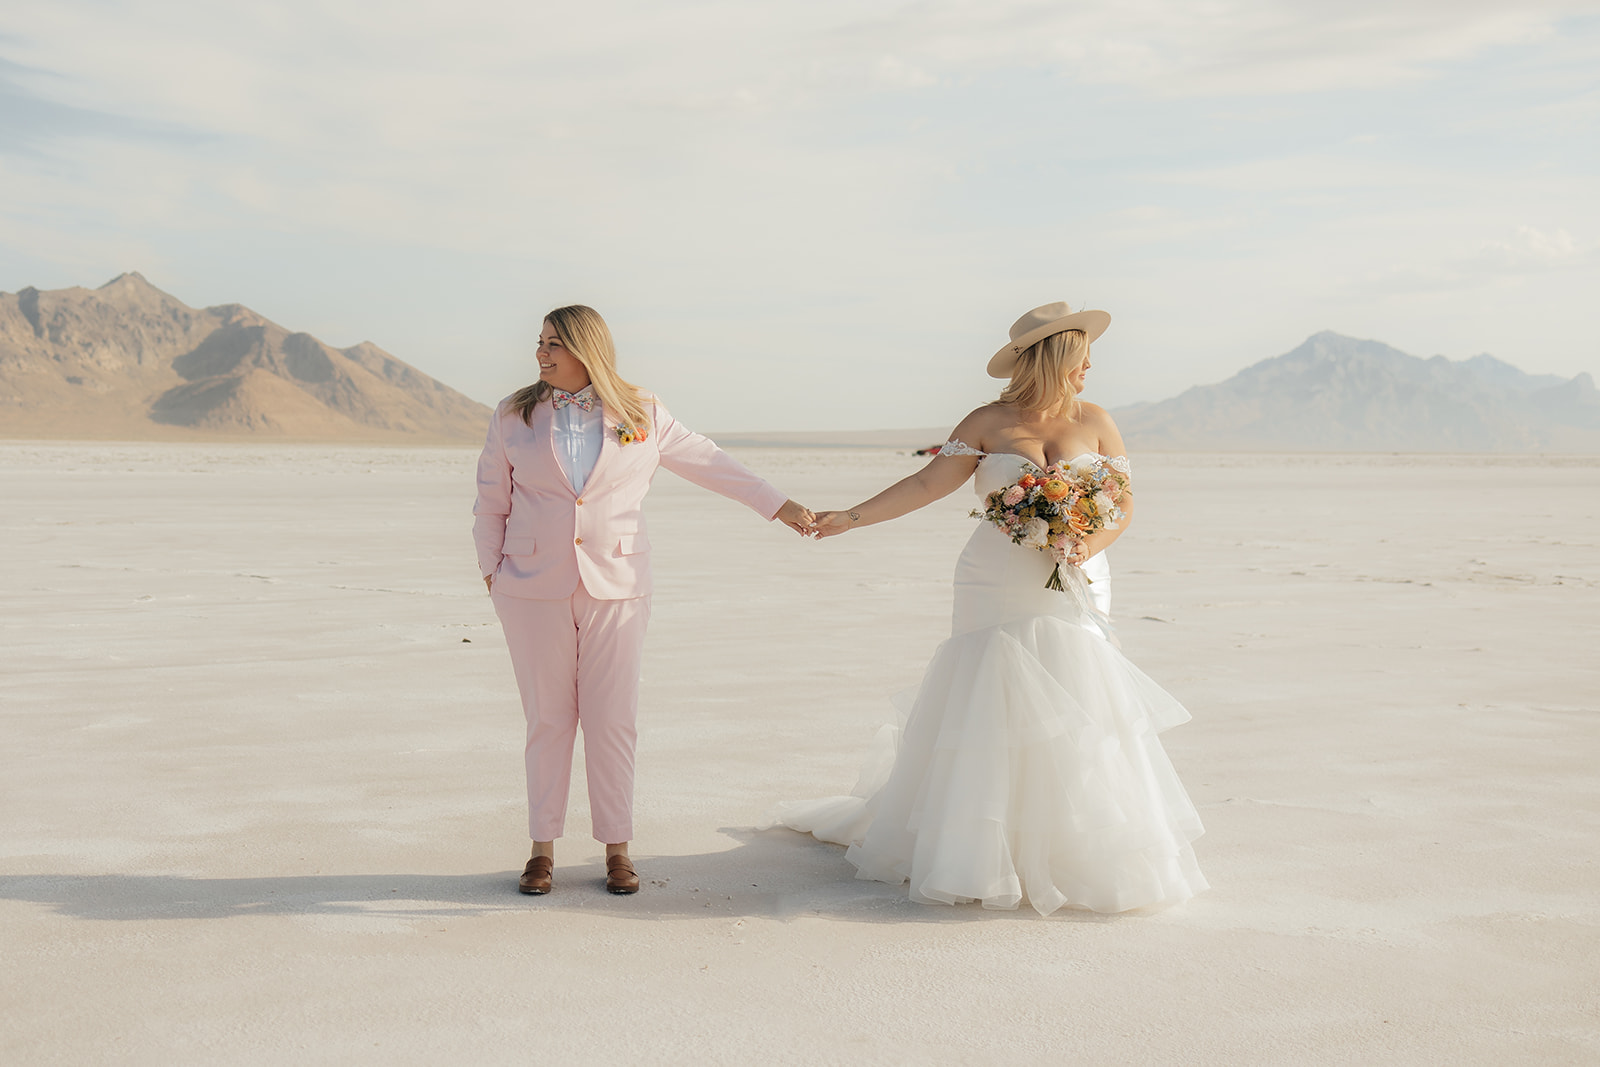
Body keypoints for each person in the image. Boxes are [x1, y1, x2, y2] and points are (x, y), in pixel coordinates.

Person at [775, 302, 1208, 915]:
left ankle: (1075, 849)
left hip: (1079, 575)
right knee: (990, 695)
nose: (1089, 368)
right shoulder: (987, 421)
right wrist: (849, 517)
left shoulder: (1098, 421)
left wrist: (1088, 543)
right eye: (1082, 357)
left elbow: (1125, 506)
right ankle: (979, 848)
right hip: (995, 580)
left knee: (1082, 694)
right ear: (1056, 359)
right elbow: (927, 484)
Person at [474, 305, 814, 896]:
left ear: (588, 348)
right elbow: (490, 501)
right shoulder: (514, 413)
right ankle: (541, 851)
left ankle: (617, 849)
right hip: (529, 587)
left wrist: (779, 505)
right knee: (547, 719)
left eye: (554, 344)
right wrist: (491, 573)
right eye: (540, 342)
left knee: (613, 719)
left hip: (620, 584)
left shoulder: (643, 412)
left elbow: (711, 462)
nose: (541, 353)